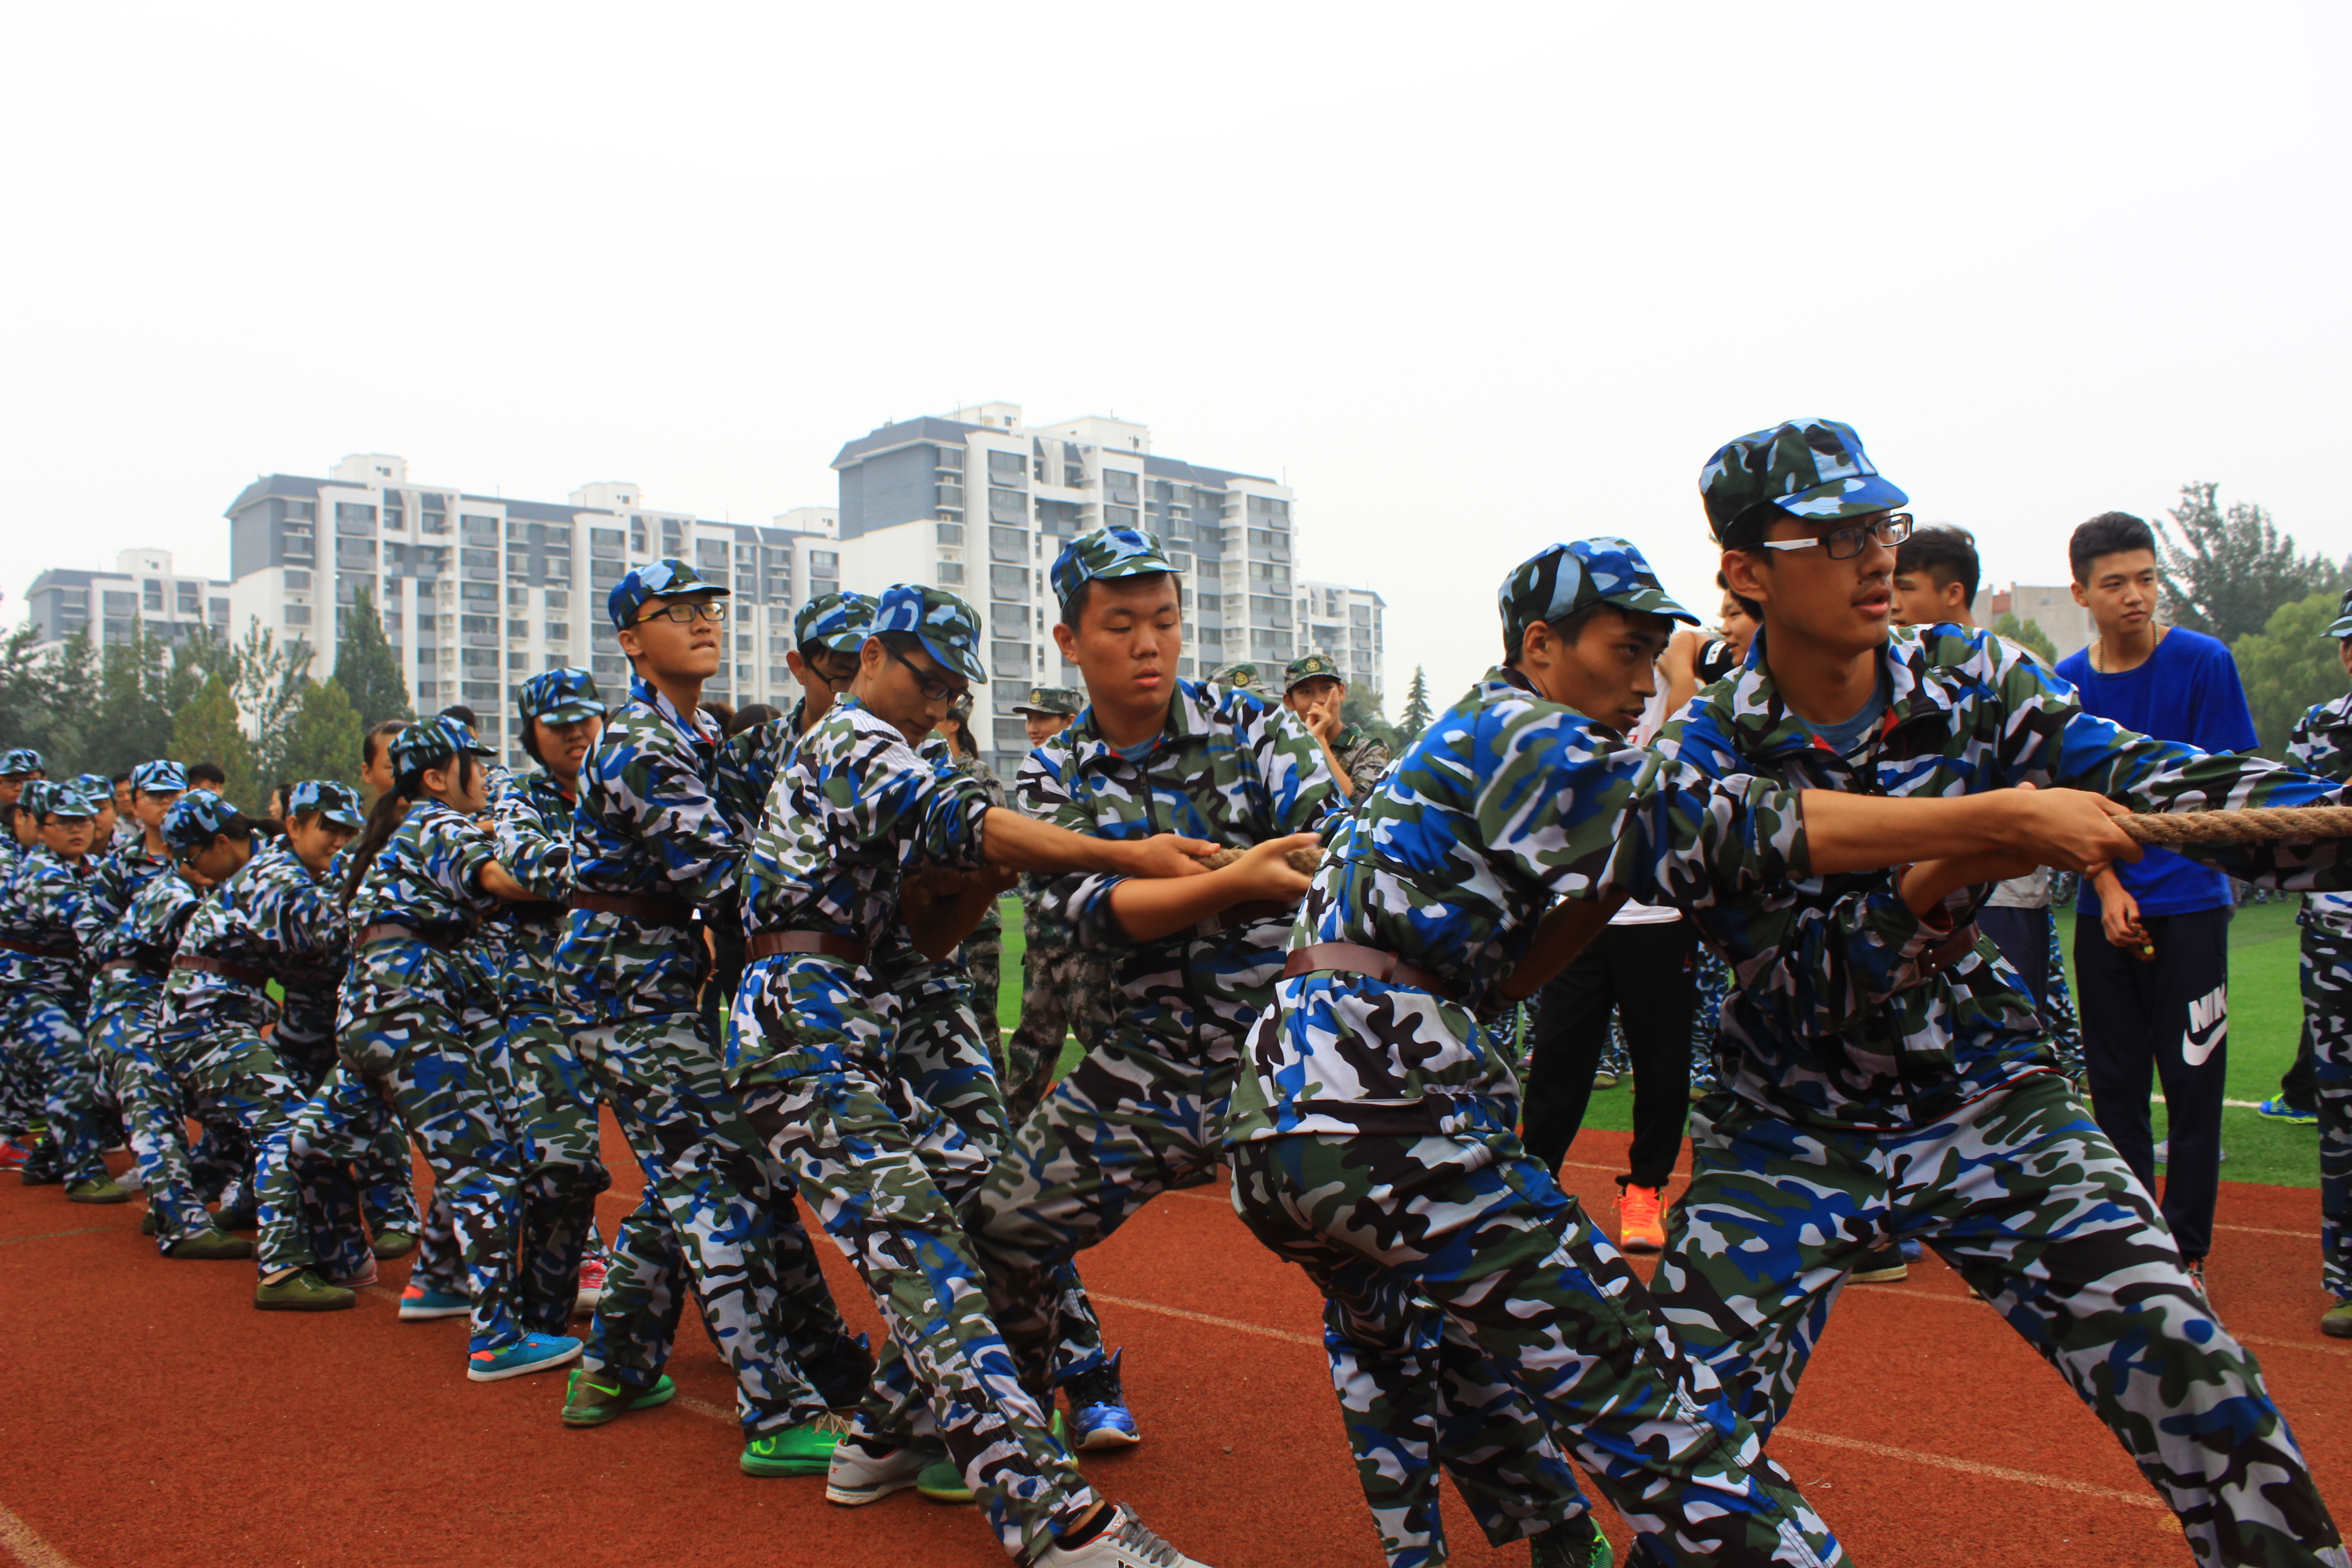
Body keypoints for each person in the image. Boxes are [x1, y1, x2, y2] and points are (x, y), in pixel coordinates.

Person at [1647, 417, 2350, 1566]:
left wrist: (2333, 817)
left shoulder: (1972, 677)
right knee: (1675, 1445)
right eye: (1835, 536)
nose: (1878, 556)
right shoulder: (1704, 761)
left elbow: (2159, 782)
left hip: (1990, 1096)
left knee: (2201, 1384)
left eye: (1882, 525)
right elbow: (1820, 985)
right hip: (1787, 1124)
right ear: (1746, 571)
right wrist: (1976, 844)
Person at [729, 578, 1217, 1568]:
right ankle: (1054, 1521)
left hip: (864, 1022)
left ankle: (882, 1439)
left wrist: (991, 876)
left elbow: (927, 938)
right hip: (799, 1027)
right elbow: (969, 821)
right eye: (930, 681)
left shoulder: (897, 755)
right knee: (926, 1263)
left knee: (992, 1221)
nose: (941, 705)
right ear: (873, 657)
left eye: (956, 691)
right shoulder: (853, 740)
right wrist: (1125, 854)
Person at [971, 525, 1337, 1472]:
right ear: (1069, 640)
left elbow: (1324, 856)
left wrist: (1189, 882)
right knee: (1004, 1229)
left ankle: (1539, 1503)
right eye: (1122, 624)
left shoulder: (1251, 727)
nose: (1149, 644)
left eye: (1166, 621)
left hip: (1286, 1057)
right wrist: (1235, 879)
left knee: (1401, 1268)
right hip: (1152, 1060)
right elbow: (1084, 916)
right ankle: (1019, 1433)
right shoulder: (1053, 770)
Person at [554, 559, 870, 1471]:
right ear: (630, 641)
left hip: (654, 988)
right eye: (676, 612)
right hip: (624, 995)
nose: (701, 622)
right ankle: (775, 1410)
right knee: (715, 1184)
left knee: (702, 1169)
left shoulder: (692, 731)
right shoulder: (644, 744)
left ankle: (612, 1368)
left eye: (707, 609)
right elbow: (729, 880)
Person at [2055, 510, 2259, 1278]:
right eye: (2115, 583)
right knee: (2114, 1090)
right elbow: (2067, 805)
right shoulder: (2066, 683)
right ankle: (2136, 1246)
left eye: (2146, 578)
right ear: (2082, 593)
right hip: (2101, 906)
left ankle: (2188, 1252)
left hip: (2191, 906)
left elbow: (2226, 793)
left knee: (2194, 1083)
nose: (2136, 596)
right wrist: (2107, 885)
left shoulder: (2205, 663)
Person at [1516, 564, 1705, 1257]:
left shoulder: (1670, 703)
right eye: (1628, 650)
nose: (1642, 677)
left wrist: (1681, 669)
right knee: (1558, 1062)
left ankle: (1645, 1189)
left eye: (1653, 653)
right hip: (1577, 921)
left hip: (1658, 922)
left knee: (1662, 1064)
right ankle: (1533, 1187)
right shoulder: (1552, 720)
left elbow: (1687, 774)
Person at [153, 783, 374, 1298]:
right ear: (294, 826)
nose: (338, 841)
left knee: (291, 1123)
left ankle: (333, 1253)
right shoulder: (274, 876)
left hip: (221, 1020)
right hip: (205, 1024)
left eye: (348, 833)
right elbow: (327, 939)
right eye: (330, 830)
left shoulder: (282, 868)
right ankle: (282, 1269)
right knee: (283, 1126)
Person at [495, 670, 616, 1328]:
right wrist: (623, 873)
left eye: (584, 719)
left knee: (697, 1157)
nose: (575, 733)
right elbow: (527, 866)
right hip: (543, 1000)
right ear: (531, 735)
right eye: (558, 724)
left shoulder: (625, 783)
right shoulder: (519, 797)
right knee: (563, 1161)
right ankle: (544, 1309)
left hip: (631, 997)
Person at [111, 789, 253, 1258]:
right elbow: (228, 937)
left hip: (179, 1010)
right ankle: (180, 1226)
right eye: (184, 855)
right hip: (130, 1006)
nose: (190, 862)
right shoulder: (170, 893)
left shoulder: (211, 887)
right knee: (154, 1107)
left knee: (232, 1116)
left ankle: (176, 1199)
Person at [0, 781, 127, 1201]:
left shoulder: (92, 866)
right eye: (65, 822)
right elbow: (92, 932)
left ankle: (47, 1160)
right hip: (21, 990)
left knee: (111, 1066)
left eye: (83, 820)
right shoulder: (42, 872)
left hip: (70, 989)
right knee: (71, 1060)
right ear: (40, 828)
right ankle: (84, 1174)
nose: (77, 829)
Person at [998, 685, 1111, 1130]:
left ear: (1069, 720)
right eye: (1029, 718)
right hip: (1043, 930)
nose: (1033, 726)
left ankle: (1138, 1131)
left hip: (1084, 933)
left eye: (1043, 718)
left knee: (1104, 1038)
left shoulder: (1094, 764)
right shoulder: (1038, 767)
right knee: (1032, 1041)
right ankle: (1013, 1131)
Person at [2290, 588, 2352, 1337]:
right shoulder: (2319, 729)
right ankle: (2348, 1278)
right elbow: (2293, 834)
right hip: (2335, 942)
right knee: (2340, 1111)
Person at [1281, 651, 1391, 804]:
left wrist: (1319, 742)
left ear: (1341, 692)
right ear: (1290, 702)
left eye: (1326, 688)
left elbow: (1362, 806)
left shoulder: (1370, 749)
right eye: (1306, 692)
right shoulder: (1284, 753)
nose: (1319, 700)